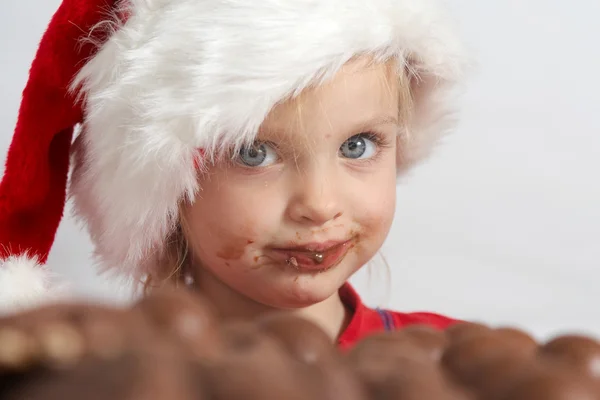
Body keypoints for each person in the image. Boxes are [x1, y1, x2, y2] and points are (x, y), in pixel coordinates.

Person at [0, 0, 467, 348]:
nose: (321, 205)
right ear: (166, 189)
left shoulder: (458, 365)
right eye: (254, 153)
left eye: (357, 145)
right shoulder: (114, 385)